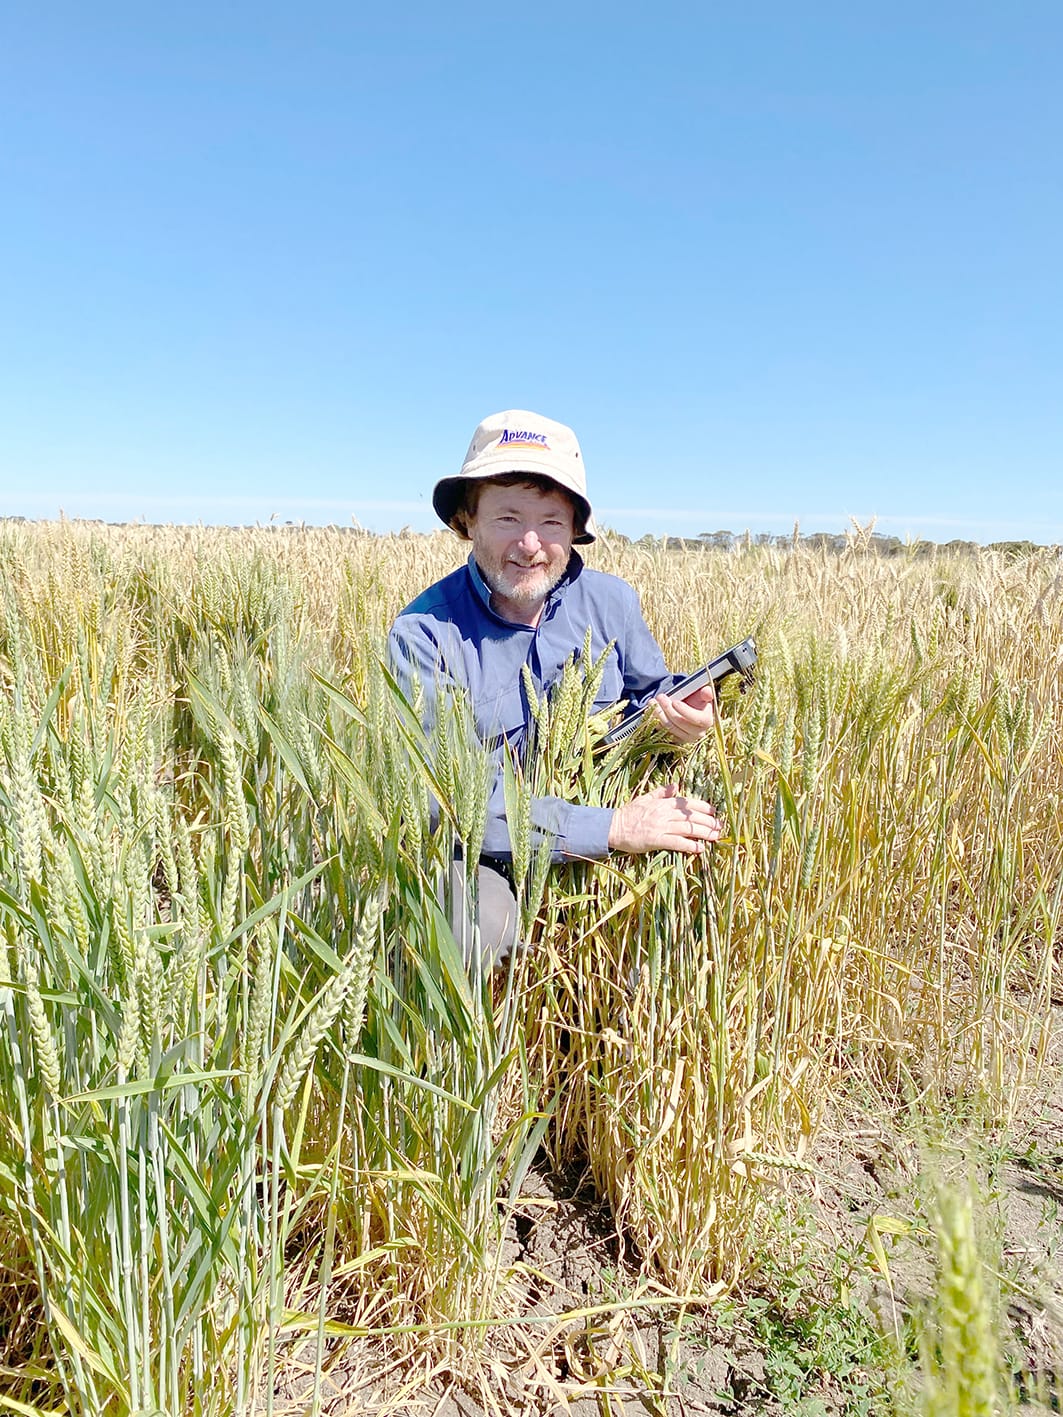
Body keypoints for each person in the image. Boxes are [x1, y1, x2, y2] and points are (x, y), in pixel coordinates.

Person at [388, 409, 724, 964]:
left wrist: (685, 721)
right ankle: (483, 1050)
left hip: (608, 824)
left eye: (550, 521)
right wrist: (612, 828)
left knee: (698, 888)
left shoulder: (613, 603)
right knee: (471, 930)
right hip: (482, 855)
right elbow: (447, 800)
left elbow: (650, 696)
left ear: (574, 530)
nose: (530, 543)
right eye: (507, 518)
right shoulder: (423, 634)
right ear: (467, 521)